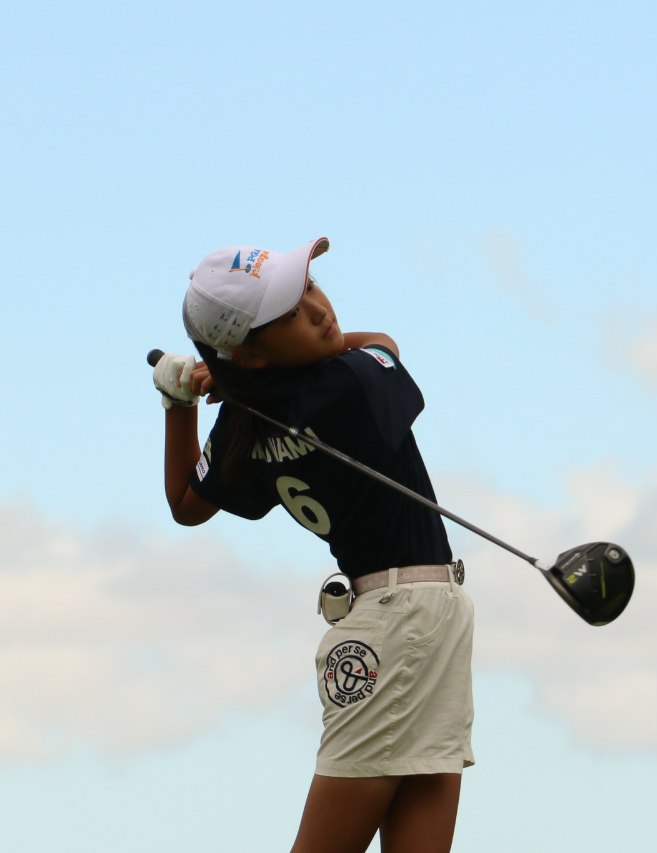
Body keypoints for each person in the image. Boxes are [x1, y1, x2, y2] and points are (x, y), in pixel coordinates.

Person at [153, 236, 474, 853]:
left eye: (308, 288)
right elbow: (383, 344)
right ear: (250, 354)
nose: (320, 310)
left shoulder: (244, 422)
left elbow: (187, 503)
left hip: (408, 620)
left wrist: (179, 401)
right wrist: (236, 382)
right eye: (290, 314)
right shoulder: (348, 380)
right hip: (403, 622)